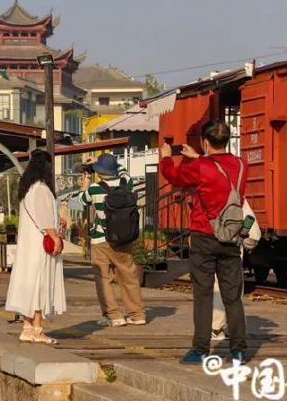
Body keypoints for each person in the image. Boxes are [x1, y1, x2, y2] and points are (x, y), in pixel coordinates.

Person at [160, 120, 249, 365]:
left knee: (203, 294)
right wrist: (200, 156)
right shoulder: (242, 165)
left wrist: (167, 157)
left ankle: (200, 349)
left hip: (204, 235)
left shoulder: (200, 166)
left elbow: (174, 176)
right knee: (233, 296)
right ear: (227, 140)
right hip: (231, 236)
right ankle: (239, 351)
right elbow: (219, 169)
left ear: (205, 142)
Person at [5, 150, 66, 344]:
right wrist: (55, 237)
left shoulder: (28, 189)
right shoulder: (40, 188)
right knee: (40, 284)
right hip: (39, 247)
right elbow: (44, 218)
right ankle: (38, 330)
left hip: (29, 245)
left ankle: (27, 328)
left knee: (30, 285)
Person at [77, 153, 146, 328]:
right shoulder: (126, 184)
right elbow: (124, 172)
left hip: (101, 240)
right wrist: (112, 164)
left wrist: (85, 183)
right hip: (124, 239)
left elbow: (79, 202)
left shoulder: (94, 189)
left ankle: (114, 315)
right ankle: (137, 314)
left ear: (99, 171)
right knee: (128, 277)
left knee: (103, 279)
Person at [211, 200, 259, 341]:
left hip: (210, 246)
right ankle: (230, 328)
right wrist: (250, 240)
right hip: (232, 247)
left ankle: (217, 327)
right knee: (233, 289)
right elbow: (252, 227)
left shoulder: (206, 196)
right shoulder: (237, 198)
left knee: (216, 287)